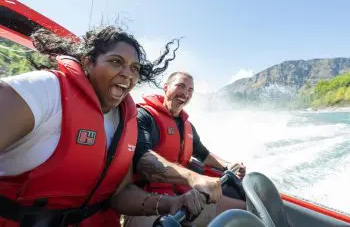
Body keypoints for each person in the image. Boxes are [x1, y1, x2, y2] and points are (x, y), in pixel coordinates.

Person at [0, 26, 206, 227]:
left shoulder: (127, 120)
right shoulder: (46, 91)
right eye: (116, 62)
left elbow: (120, 194)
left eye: (134, 68)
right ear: (88, 62)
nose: (128, 74)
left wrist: (171, 204)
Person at [124, 72, 247, 227]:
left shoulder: (187, 125)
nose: (185, 93)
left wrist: (228, 165)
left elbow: (203, 154)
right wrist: (194, 178)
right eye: (180, 86)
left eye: (190, 90)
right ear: (166, 87)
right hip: (148, 200)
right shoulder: (143, 117)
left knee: (243, 213)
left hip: (186, 197)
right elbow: (142, 160)